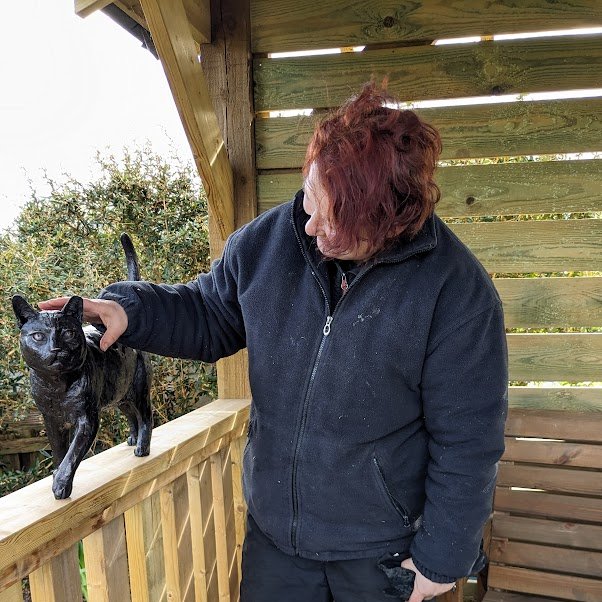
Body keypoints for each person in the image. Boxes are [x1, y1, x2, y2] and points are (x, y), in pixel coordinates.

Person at [41, 82, 508, 602]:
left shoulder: (457, 293)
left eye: (330, 222)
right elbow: (209, 312)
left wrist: (442, 560)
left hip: (381, 552)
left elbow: (468, 441)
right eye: (309, 200)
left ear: (386, 223)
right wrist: (131, 310)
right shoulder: (271, 241)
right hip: (276, 541)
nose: (307, 226)